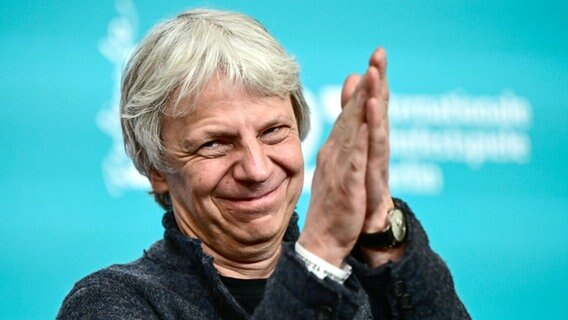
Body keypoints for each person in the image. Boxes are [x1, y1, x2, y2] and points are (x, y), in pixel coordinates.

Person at [58, 8, 470, 320]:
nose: (256, 169)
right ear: (156, 169)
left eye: (273, 131)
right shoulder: (112, 302)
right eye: (215, 143)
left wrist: (380, 225)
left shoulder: (371, 283)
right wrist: (319, 255)